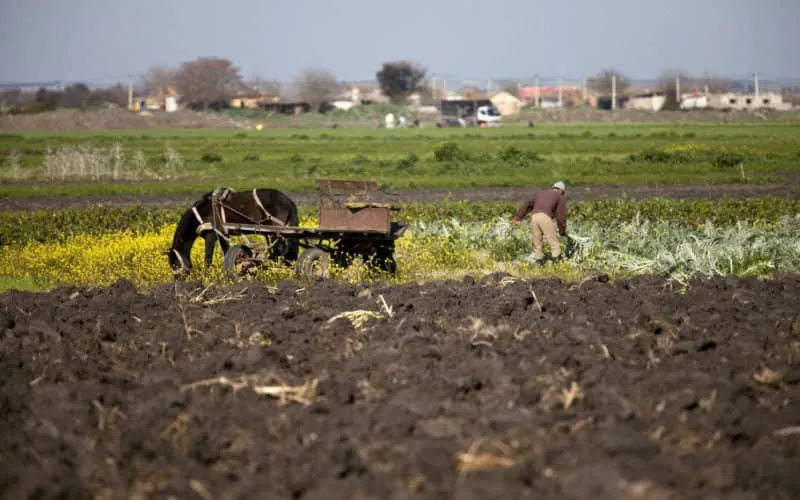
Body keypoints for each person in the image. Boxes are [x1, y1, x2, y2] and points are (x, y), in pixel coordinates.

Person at [510, 181, 568, 264]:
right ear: (562, 190)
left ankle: (539, 262)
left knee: (537, 243)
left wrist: (518, 217)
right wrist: (562, 230)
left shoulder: (540, 193)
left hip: (534, 217)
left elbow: (527, 204)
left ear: (553, 187)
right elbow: (561, 215)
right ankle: (557, 264)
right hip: (545, 217)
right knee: (553, 242)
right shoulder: (560, 196)